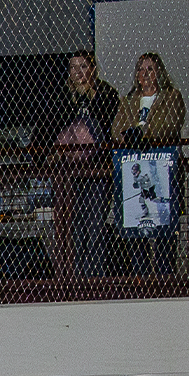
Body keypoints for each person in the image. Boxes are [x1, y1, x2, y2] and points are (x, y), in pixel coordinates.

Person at [42, 51, 120, 278]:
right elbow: (51, 125)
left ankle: (94, 276)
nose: (78, 72)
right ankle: (71, 276)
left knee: (94, 226)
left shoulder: (106, 94)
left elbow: (108, 125)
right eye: (73, 67)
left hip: (96, 169)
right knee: (71, 228)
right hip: (68, 173)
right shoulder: (62, 97)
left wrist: (91, 98)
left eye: (83, 66)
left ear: (93, 69)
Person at [112, 53, 186, 277]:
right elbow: (117, 129)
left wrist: (144, 135)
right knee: (137, 226)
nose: (145, 74)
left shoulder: (171, 97)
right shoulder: (128, 100)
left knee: (163, 227)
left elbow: (171, 124)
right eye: (141, 69)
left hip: (161, 166)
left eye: (150, 69)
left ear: (159, 72)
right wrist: (129, 137)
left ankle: (165, 276)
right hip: (134, 168)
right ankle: (141, 276)